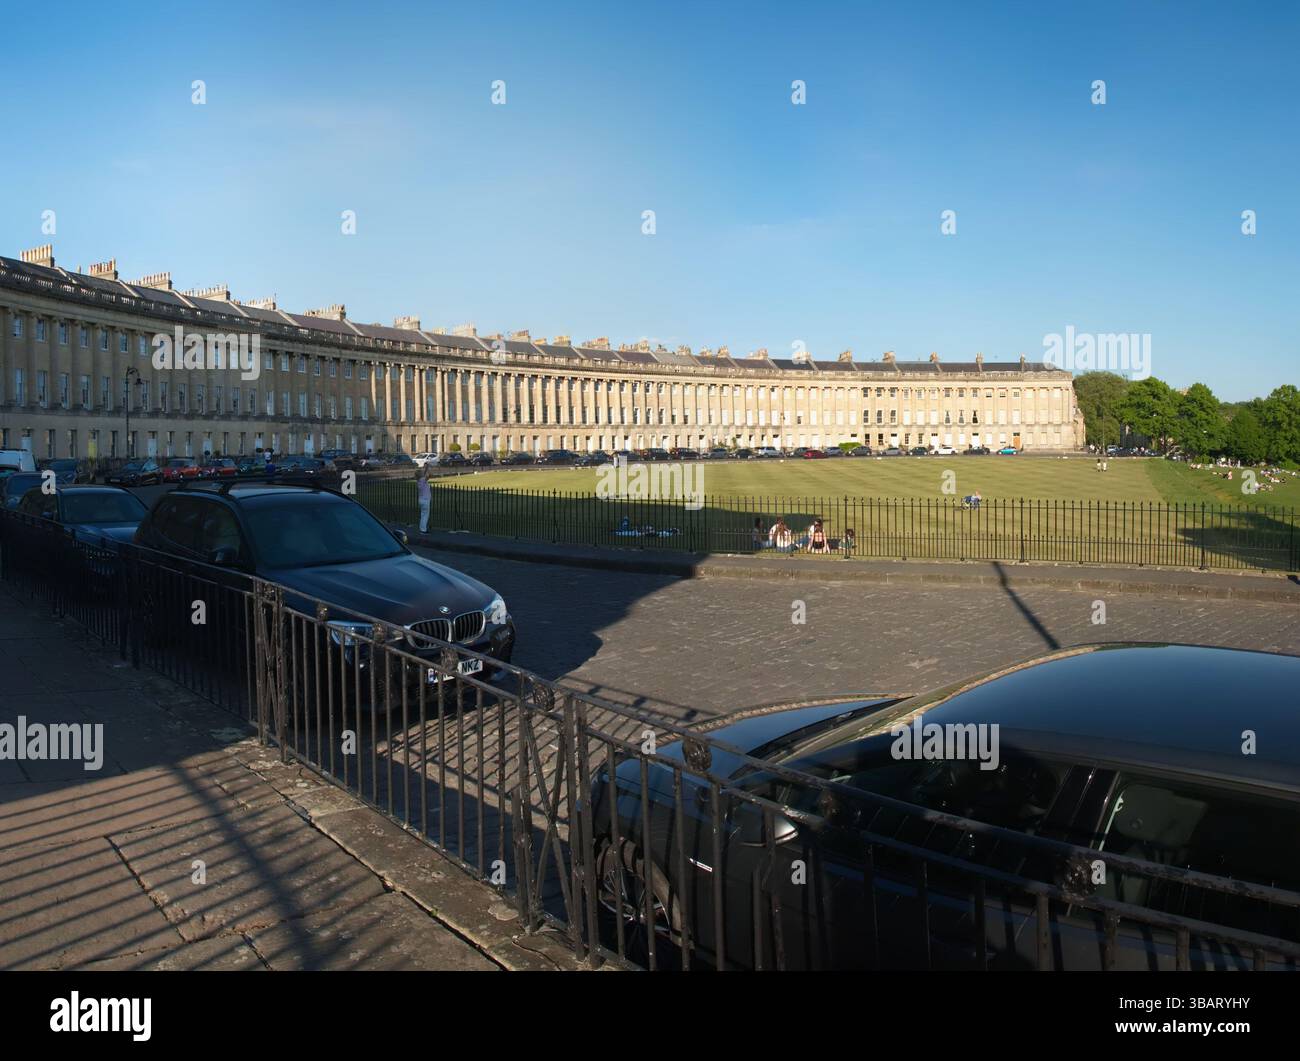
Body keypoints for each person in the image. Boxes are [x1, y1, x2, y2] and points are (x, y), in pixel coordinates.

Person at [417, 467, 431, 533]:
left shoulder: (418, 481)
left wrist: (426, 468)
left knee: (423, 515)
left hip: (421, 499)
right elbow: (428, 476)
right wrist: (428, 469)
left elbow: (425, 475)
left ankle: (422, 528)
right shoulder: (423, 480)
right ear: (421, 475)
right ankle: (423, 530)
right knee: (425, 516)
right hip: (425, 500)